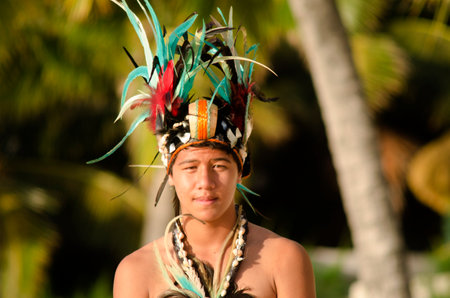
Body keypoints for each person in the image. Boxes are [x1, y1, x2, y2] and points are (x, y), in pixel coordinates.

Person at [90, 1, 316, 297]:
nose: (205, 183)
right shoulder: (137, 272)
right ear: (170, 173)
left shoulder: (284, 260)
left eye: (219, 166)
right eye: (190, 167)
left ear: (241, 170)